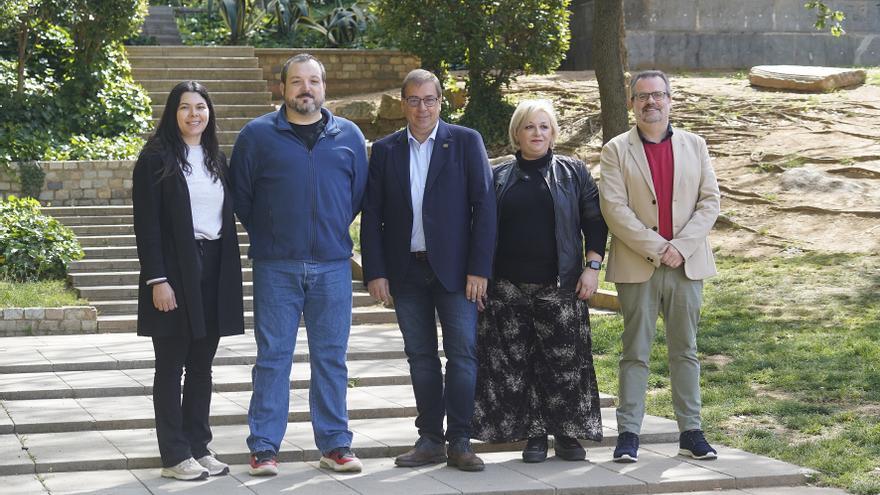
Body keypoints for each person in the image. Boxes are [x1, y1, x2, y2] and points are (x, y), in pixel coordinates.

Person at [229, 53, 368, 476]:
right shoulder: (257, 136)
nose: (305, 88)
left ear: (325, 88)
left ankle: (335, 445)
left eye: (313, 81)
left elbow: (356, 195)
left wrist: (327, 230)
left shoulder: (349, 135)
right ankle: (265, 448)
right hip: (276, 265)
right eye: (296, 81)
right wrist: (272, 233)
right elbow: (242, 196)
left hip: (331, 266)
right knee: (273, 357)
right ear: (283, 88)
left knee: (332, 357)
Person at [360, 69, 496, 472]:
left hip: (457, 274)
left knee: (463, 356)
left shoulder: (466, 142)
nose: (423, 108)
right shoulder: (385, 151)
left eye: (430, 99)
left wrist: (479, 269)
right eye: (415, 100)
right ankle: (430, 439)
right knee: (420, 357)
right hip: (406, 272)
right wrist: (376, 272)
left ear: (441, 102)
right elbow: (373, 216)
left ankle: (460, 440)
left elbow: (485, 207)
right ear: (403, 103)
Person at [471, 99, 607, 463]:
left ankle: (566, 435)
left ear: (553, 132)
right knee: (520, 365)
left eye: (544, 126)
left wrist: (592, 267)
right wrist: (481, 275)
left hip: (560, 286)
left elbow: (595, 222)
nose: (537, 133)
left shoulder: (573, 171)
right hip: (508, 289)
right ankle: (534, 436)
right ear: (517, 133)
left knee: (563, 364)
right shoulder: (497, 176)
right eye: (530, 126)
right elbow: (480, 231)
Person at [598, 70, 721, 463]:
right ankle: (629, 434)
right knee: (636, 351)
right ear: (632, 103)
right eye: (642, 96)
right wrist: (658, 249)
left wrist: (680, 248)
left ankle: (692, 431)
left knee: (685, 350)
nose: (651, 102)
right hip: (638, 265)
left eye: (658, 95)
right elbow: (614, 209)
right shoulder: (615, 150)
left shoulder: (696, 145)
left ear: (670, 100)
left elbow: (710, 202)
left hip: (686, 265)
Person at [132, 81, 245, 481]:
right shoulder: (156, 157)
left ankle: (198, 445)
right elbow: (146, 225)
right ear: (172, 113)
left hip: (214, 268)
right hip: (173, 272)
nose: (194, 114)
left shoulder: (215, 157)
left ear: (209, 113)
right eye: (185, 107)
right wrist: (157, 280)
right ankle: (174, 454)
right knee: (171, 365)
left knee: (202, 365)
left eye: (201, 107)